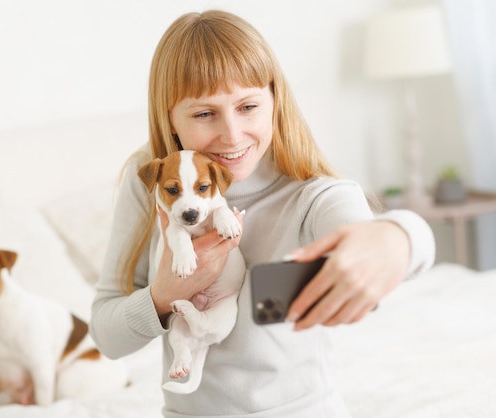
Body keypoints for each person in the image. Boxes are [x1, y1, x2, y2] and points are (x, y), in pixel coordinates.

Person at [90, 9, 435, 417]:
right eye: (204, 114)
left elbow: (382, 238)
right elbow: (107, 337)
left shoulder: (314, 195)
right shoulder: (150, 181)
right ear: (170, 119)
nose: (232, 135)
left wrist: (399, 238)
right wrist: (163, 296)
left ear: (274, 101)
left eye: (248, 106)